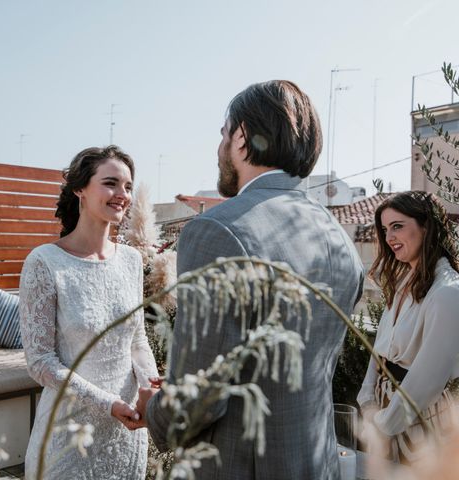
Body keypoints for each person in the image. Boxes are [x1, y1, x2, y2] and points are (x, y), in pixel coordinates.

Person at [136, 80, 364, 479]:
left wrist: (154, 408)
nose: (219, 147)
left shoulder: (217, 231)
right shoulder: (337, 236)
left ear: (242, 138)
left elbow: (200, 397)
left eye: (224, 134)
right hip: (318, 464)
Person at [19, 145, 158, 479]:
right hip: (69, 435)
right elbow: (40, 362)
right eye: (111, 183)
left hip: (126, 433)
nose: (122, 194)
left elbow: (137, 338)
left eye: (127, 186)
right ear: (79, 188)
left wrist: (150, 389)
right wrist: (108, 403)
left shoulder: (131, 260)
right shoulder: (44, 262)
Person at [357, 191, 459, 463]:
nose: (389, 238)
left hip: (419, 418)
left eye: (397, 226)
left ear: (426, 226)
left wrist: (384, 425)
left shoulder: (448, 292)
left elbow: (427, 380)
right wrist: (367, 399)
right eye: (385, 229)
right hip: (383, 408)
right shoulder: (405, 281)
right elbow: (380, 347)